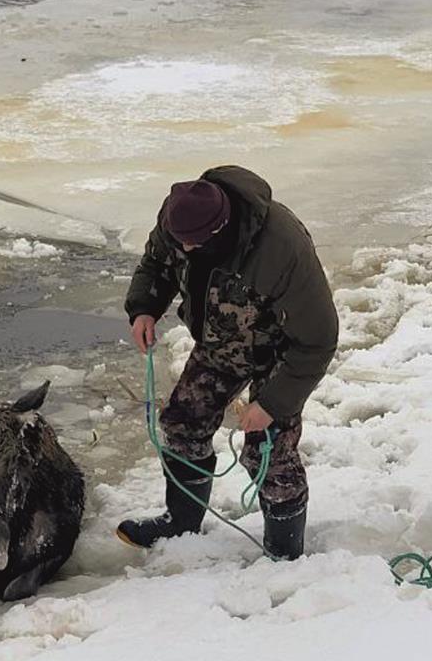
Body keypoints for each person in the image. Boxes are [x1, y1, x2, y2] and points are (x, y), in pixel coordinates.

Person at [117, 165, 338, 560]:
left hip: (282, 352)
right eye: (179, 241)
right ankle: (181, 524)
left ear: (220, 229)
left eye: (192, 244)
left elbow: (319, 340)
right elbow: (157, 263)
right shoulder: (179, 216)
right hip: (222, 341)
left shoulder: (281, 247)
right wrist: (144, 308)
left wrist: (272, 405)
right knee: (182, 425)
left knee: (268, 453)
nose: (183, 249)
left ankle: (284, 554)